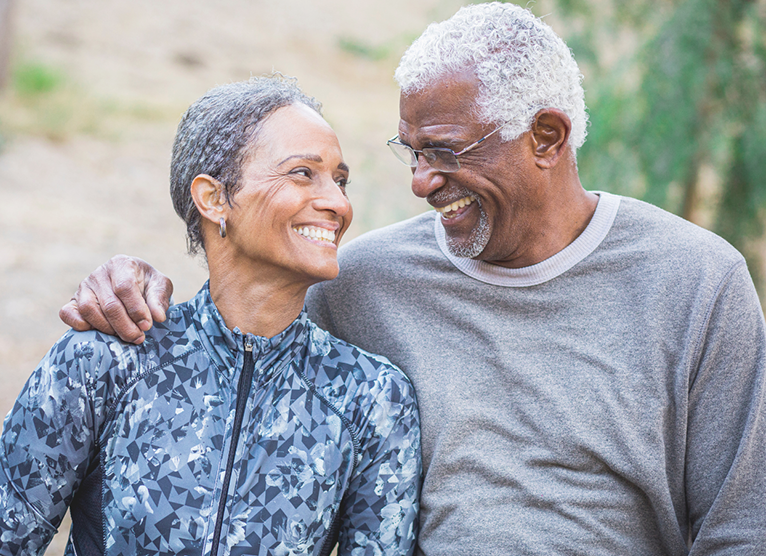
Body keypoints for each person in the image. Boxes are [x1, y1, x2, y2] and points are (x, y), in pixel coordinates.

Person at [58, 3, 766, 555]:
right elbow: (233, 351)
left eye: (445, 152)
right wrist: (132, 282)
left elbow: (743, 530)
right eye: (411, 152)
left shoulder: (696, 283)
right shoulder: (366, 281)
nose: (423, 182)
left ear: (546, 138)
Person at [0, 77, 422, 556]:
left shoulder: (372, 398)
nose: (338, 203)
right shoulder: (106, 361)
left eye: (341, 180)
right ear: (214, 199)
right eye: (303, 173)